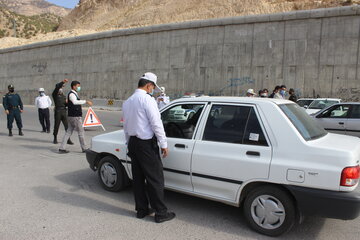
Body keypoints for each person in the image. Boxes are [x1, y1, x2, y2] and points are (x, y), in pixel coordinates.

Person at [123, 72, 175, 223]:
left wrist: (128, 144)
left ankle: (141, 210)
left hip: (133, 143)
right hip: (146, 145)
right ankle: (161, 213)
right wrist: (163, 144)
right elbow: (156, 123)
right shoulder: (147, 100)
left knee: (138, 179)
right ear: (148, 85)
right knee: (155, 179)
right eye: (153, 87)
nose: (153, 90)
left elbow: (126, 126)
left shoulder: (128, 101)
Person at [58, 81, 92, 153]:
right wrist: (86, 101)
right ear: (73, 86)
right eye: (78, 86)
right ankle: (84, 148)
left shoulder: (74, 93)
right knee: (81, 132)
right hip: (75, 116)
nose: (79, 87)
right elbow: (75, 102)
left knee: (68, 132)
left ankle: (62, 148)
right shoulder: (72, 94)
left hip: (72, 116)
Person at [52, 79, 73, 145]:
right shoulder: (54, 94)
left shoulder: (63, 96)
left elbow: (65, 104)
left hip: (64, 111)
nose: (61, 89)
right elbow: (58, 86)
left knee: (67, 126)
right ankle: (55, 138)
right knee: (56, 126)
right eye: (60, 88)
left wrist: (68, 103)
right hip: (58, 111)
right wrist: (63, 82)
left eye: (61, 88)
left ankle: (68, 139)